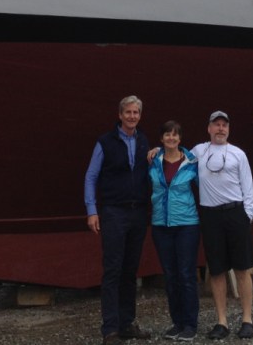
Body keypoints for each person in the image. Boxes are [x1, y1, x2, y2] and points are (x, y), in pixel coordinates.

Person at [85, 95, 153, 344]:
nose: (132, 116)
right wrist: (92, 210)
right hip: (114, 212)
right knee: (113, 270)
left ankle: (127, 323)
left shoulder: (144, 141)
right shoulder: (105, 142)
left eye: (136, 112)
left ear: (140, 116)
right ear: (120, 115)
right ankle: (110, 329)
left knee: (130, 270)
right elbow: (91, 176)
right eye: (128, 112)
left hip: (138, 212)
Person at [190, 111, 253, 340]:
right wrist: (157, 151)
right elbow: (176, 157)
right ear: (209, 128)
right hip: (210, 216)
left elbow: (248, 185)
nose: (220, 128)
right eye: (216, 124)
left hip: (235, 213)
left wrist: (247, 215)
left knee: (242, 268)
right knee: (217, 270)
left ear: (228, 129)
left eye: (224, 125)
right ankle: (221, 321)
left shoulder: (238, 154)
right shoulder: (199, 151)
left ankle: (247, 320)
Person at [149, 120, 200, 341]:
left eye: (175, 134)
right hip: (161, 225)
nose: (171, 138)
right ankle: (177, 323)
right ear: (161, 139)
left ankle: (190, 324)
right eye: (167, 134)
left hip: (187, 224)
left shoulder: (192, 163)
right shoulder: (153, 161)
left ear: (180, 138)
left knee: (186, 274)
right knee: (170, 276)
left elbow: (206, 188)